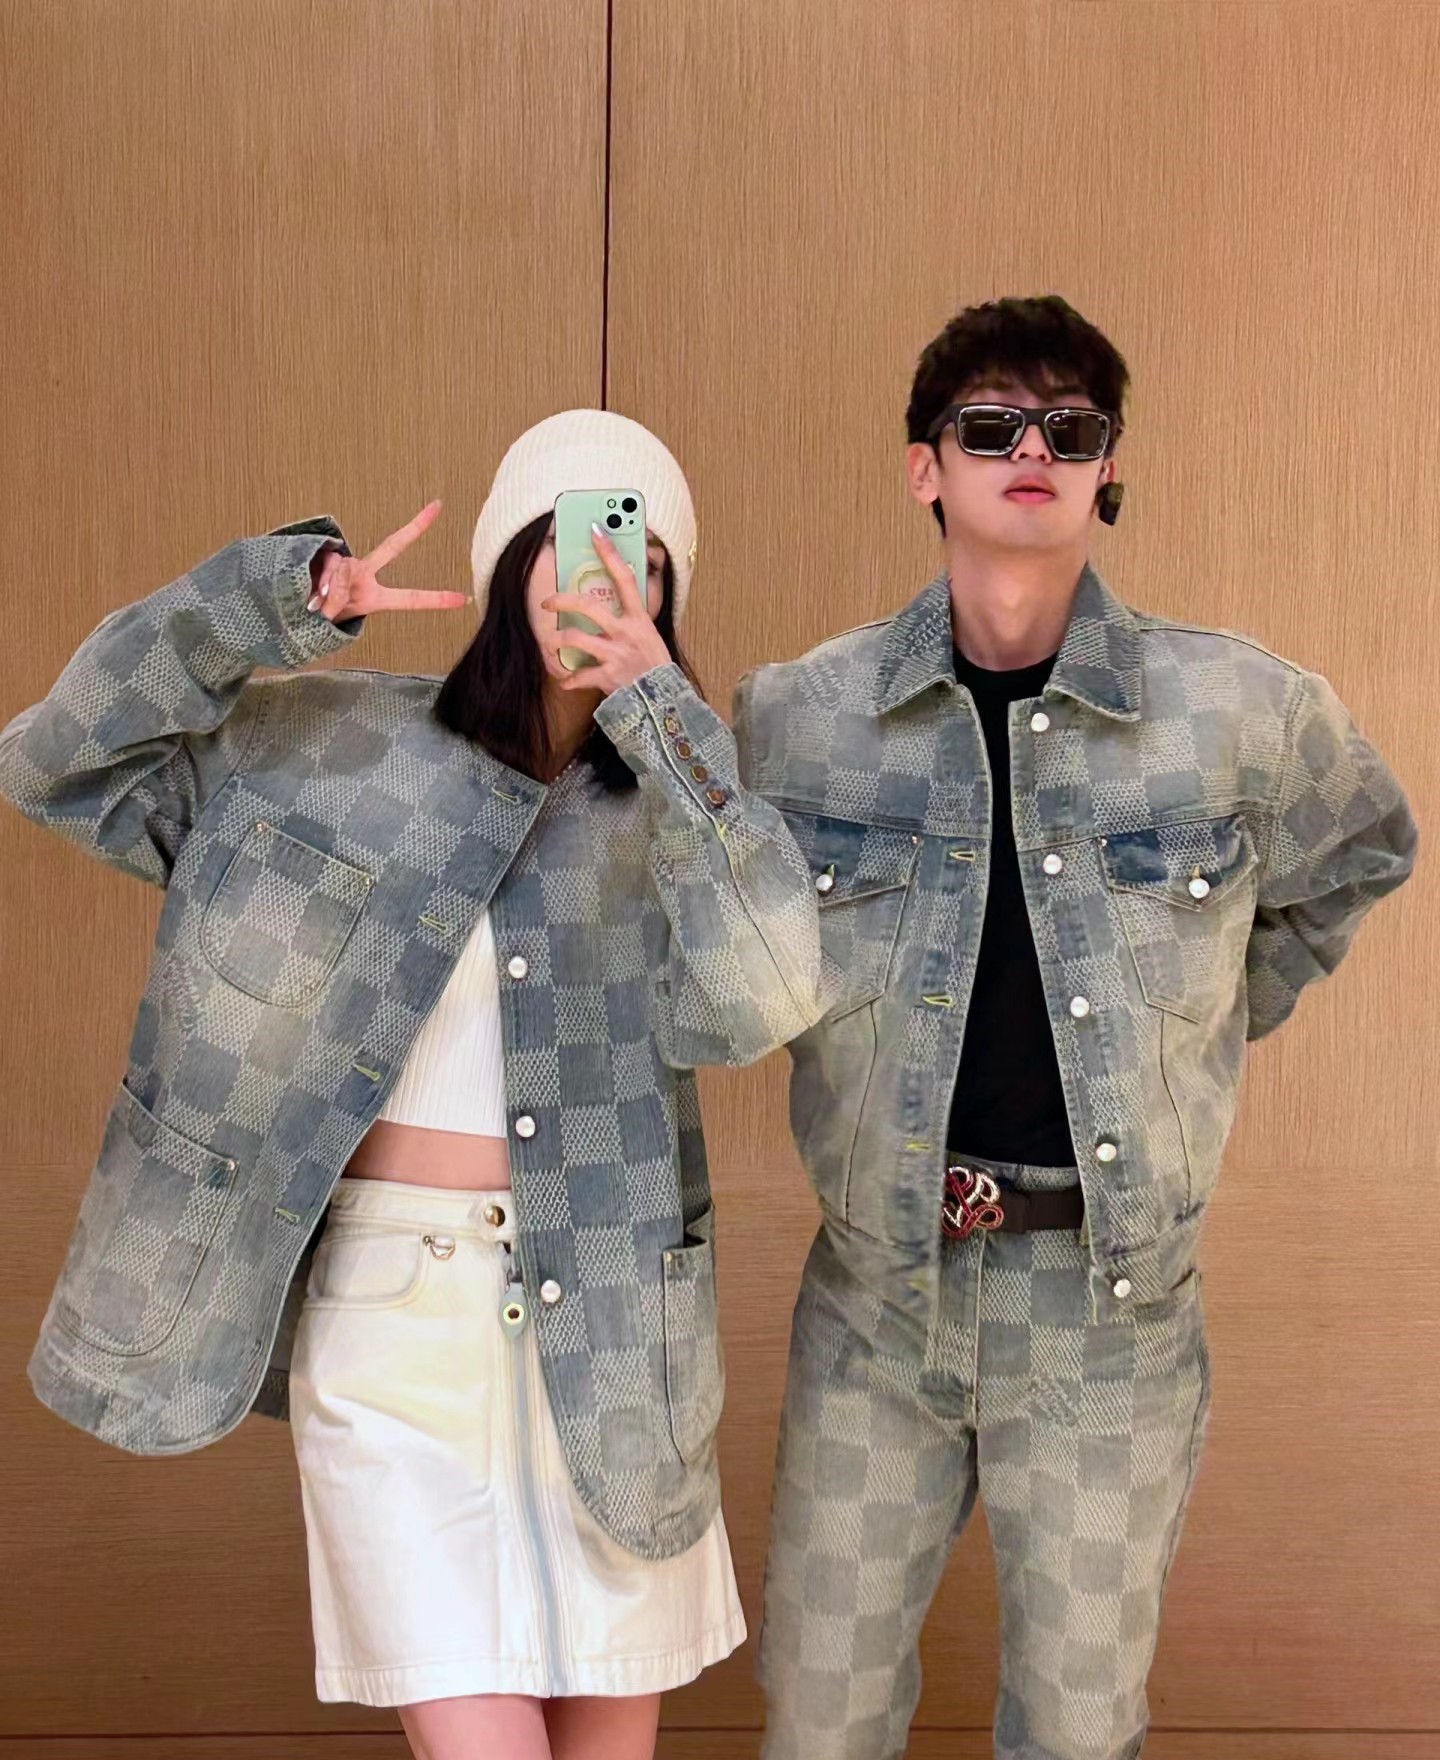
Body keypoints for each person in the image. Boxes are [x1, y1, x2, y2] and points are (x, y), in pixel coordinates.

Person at [0, 409, 831, 1760]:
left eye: (639, 558)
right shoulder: (322, 748)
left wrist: (664, 720)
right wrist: (262, 605)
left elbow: (770, 995)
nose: (601, 576)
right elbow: (55, 761)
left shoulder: (684, 813)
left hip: (617, 1337)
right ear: (510, 563)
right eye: (568, 539)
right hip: (391, 1333)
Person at [739, 295, 1419, 1760]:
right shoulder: (797, 722)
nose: (1032, 450)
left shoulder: (1239, 712)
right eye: (991, 426)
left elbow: (1362, 849)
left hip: (1111, 1308)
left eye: (1071, 426)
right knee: (819, 1718)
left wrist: (1205, 1022)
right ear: (926, 469)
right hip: (878, 1294)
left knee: (1079, 1726)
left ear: (1110, 467)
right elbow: (728, 946)